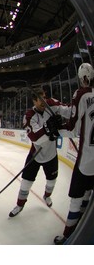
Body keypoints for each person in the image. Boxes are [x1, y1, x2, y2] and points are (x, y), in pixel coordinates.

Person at [8, 88, 70, 217]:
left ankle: (47, 196)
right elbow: (35, 138)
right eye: (40, 99)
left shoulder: (51, 104)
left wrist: (66, 122)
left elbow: (69, 111)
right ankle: (20, 205)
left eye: (44, 98)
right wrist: (49, 129)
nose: (43, 101)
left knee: (52, 181)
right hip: (35, 154)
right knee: (26, 182)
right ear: (34, 101)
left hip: (51, 154)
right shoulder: (29, 116)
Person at [54, 62, 94, 244]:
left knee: (76, 197)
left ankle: (69, 234)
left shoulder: (81, 94)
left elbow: (73, 128)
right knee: (87, 192)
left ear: (82, 78)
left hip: (86, 158)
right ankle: (84, 222)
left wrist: (56, 129)